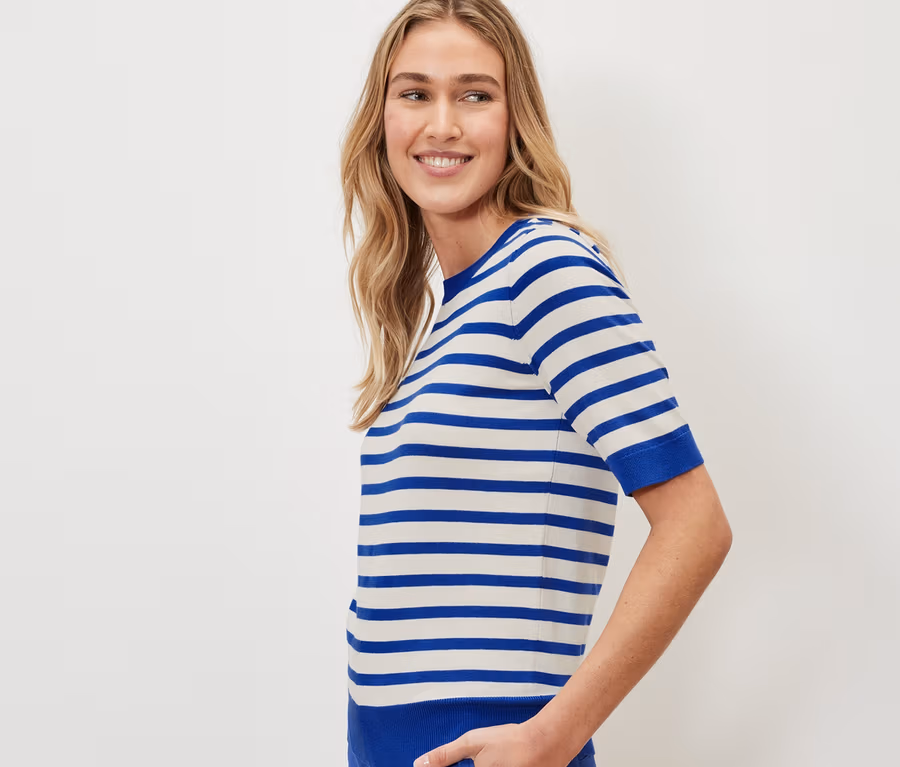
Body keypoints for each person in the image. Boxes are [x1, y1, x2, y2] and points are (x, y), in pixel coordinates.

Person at [338, 2, 732, 766]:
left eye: (474, 94)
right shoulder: (454, 313)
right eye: (415, 93)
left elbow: (697, 523)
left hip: (490, 740)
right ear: (382, 118)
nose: (443, 124)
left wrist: (554, 732)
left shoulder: (545, 270)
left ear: (514, 119)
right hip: (389, 742)